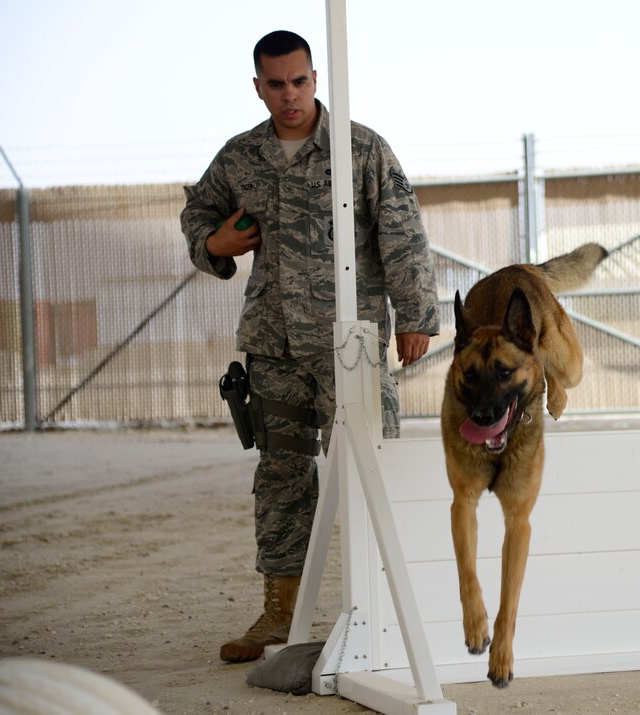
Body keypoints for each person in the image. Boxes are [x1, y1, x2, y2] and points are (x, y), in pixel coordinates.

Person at [180, 30, 439, 663]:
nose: (289, 96)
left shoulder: (360, 148)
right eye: (276, 85)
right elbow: (198, 212)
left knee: (372, 469)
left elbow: (402, 233)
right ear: (258, 87)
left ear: (316, 79)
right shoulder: (241, 157)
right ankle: (280, 616)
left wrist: (416, 315)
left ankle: (390, 609)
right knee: (281, 478)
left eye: (299, 81)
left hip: (350, 344)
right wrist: (214, 245)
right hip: (274, 345)